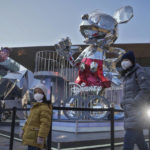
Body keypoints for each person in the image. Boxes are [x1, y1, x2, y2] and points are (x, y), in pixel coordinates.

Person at [120, 51, 150, 150]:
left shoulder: (139, 71)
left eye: (126, 60)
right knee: (140, 141)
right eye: (123, 60)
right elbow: (129, 93)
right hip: (130, 112)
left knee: (128, 141)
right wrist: (123, 103)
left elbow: (146, 89)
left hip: (137, 112)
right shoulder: (127, 75)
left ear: (132, 61)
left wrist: (134, 102)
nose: (124, 62)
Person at [20, 83, 52, 150]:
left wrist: (41, 136)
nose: (37, 94)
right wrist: (23, 130)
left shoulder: (44, 107)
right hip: (30, 136)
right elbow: (28, 121)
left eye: (39, 92)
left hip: (36, 138)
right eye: (35, 92)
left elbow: (45, 124)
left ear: (44, 94)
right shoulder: (35, 106)